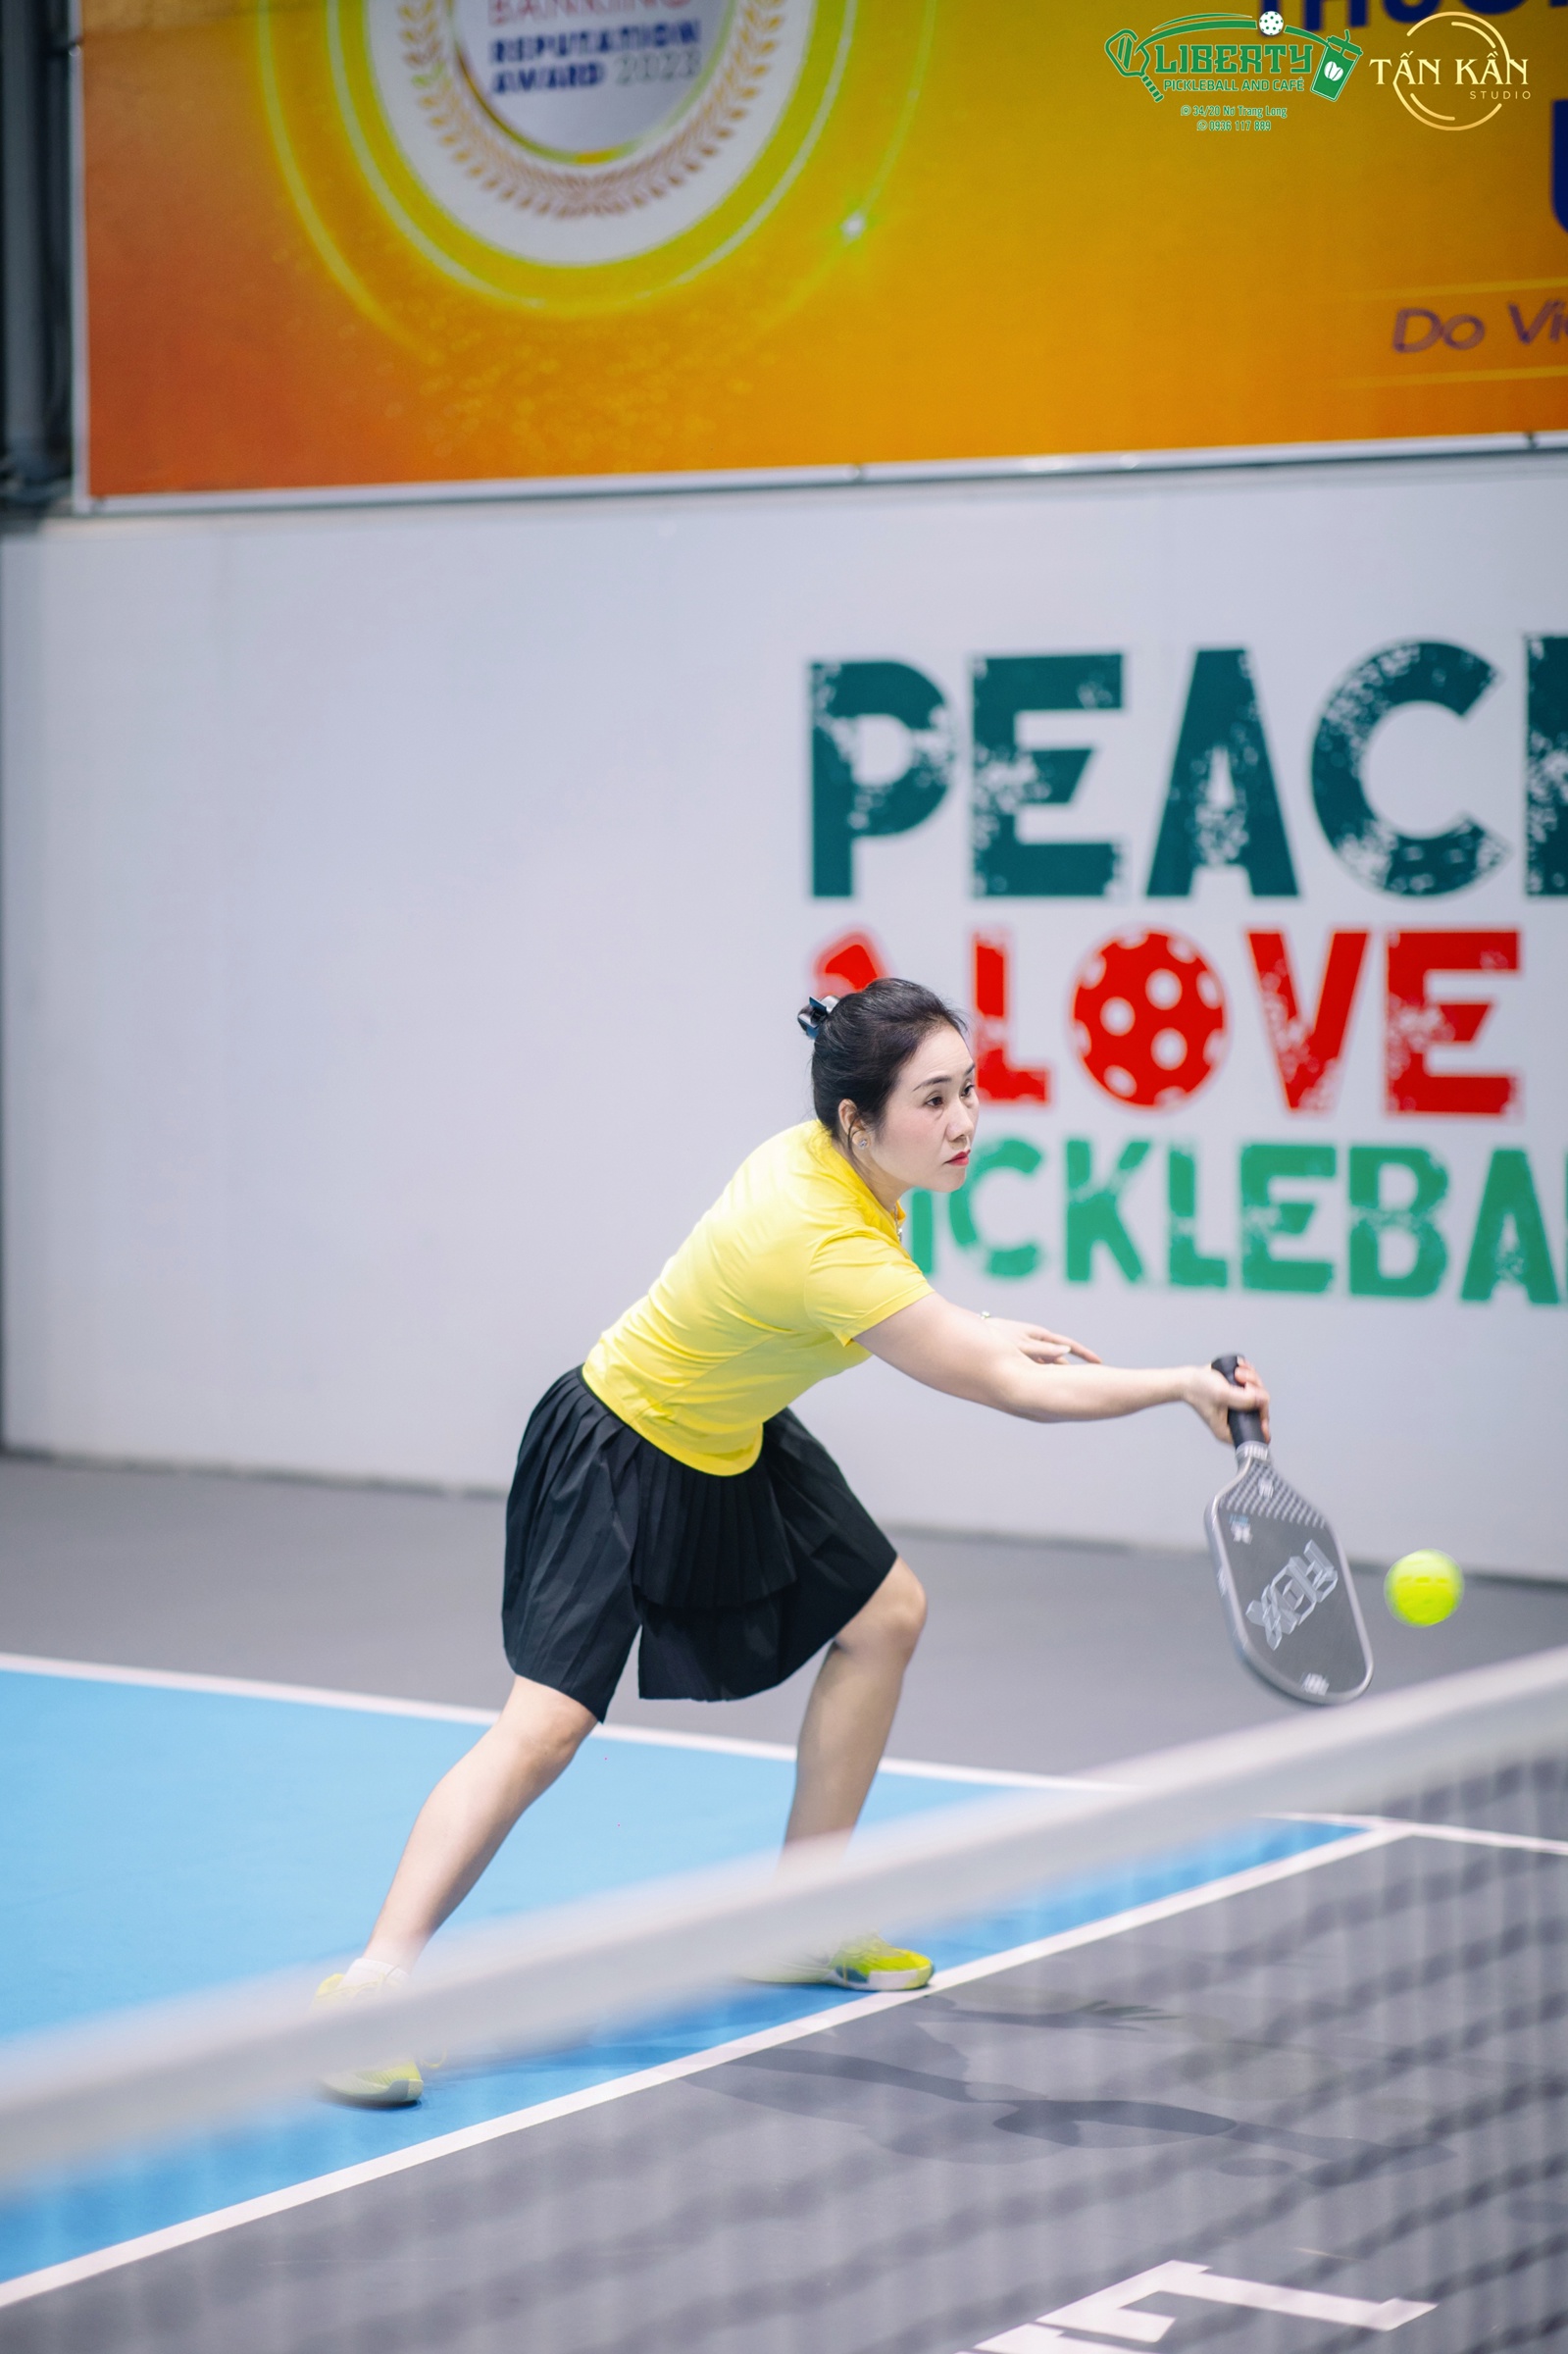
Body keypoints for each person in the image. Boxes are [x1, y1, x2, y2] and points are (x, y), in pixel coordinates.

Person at [318, 979, 1268, 2105]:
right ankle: (370, 1989)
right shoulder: (818, 1234)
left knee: (887, 1613)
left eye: (969, 1091)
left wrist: (960, 1326)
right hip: (621, 1447)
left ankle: (796, 1917)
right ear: (858, 1120)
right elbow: (1007, 1385)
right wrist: (1178, 1385)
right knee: (544, 1730)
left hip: (735, 1432)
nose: (964, 1121)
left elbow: (890, 1309)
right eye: (933, 1101)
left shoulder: (838, 1171)